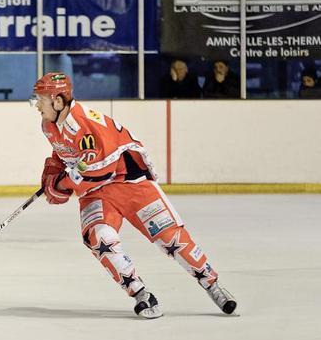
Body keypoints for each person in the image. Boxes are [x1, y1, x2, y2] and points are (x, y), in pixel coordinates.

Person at [31, 72, 237, 319]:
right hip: (96, 191)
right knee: (98, 237)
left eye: (41, 99)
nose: (37, 105)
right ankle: (141, 294)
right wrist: (52, 172)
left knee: (169, 237)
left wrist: (62, 184)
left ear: (58, 100)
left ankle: (212, 284)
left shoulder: (86, 125)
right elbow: (65, 155)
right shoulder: (49, 125)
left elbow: (97, 171)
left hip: (129, 181)